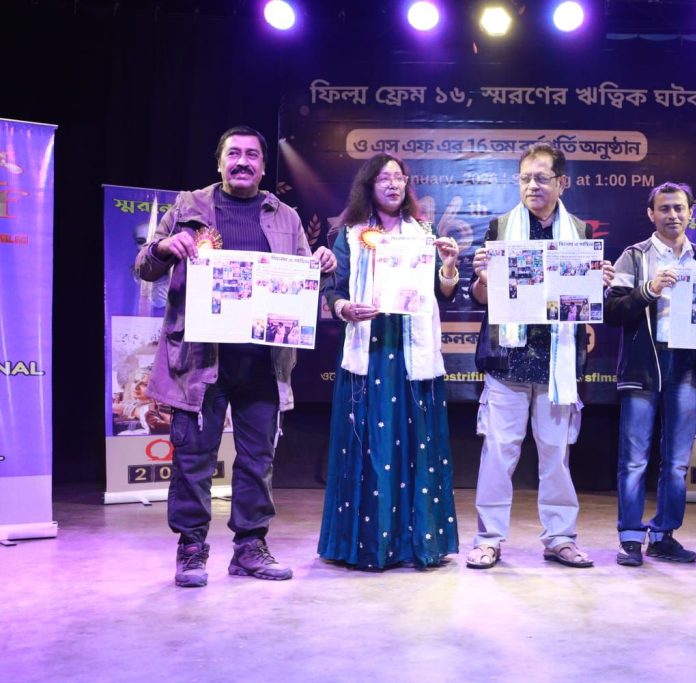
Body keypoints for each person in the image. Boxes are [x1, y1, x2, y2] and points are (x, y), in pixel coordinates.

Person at [136, 125, 338, 587]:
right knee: (193, 460)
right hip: (199, 360)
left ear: (264, 167)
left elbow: (303, 287)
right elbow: (145, 266)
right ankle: (191, 549)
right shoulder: (189, 207)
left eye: (252, 155)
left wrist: (321, 268)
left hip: (263, 361)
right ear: (219, 162)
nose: (242, 162)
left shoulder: (286, 217)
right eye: (233, 154)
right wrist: (165, 246)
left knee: (257, 460)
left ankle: (249, 547)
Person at [467, 143, 614, 569]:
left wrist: (599, 284)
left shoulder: (580, 233)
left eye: (542, 178)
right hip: (506, 361)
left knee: (556, 457)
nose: (533, 185)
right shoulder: (500, 228)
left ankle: (560, 538)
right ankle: (488, 539)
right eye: (526, 178)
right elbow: (481, 299)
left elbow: (584, 301)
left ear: (562, 183)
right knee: (498, 455)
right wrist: (482, 278)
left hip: (557, 365)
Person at [318, 153, 460, 570]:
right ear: (369, 185)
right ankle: (365, 544)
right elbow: (333, 289)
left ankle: (419, 543)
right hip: (371, 351)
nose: (394, 184)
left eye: (399, 178)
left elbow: (444, 292)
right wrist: (344, 308)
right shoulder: (351, 234)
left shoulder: (424, 233)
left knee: (417, 445)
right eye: (384, 178)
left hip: (413, 352)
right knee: (371, 446)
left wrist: (449, 266)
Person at [605, 182, 696, 567]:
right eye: (664, 208)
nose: (672, 215)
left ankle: (663, 535)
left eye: (679, 208)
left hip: (687, 366)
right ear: (651, 213)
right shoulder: (634, 256)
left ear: (690, 212)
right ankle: (630, 537)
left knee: (676, 462)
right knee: (634, 460)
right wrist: (649, 289)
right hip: (644, 366)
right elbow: (611, 312)